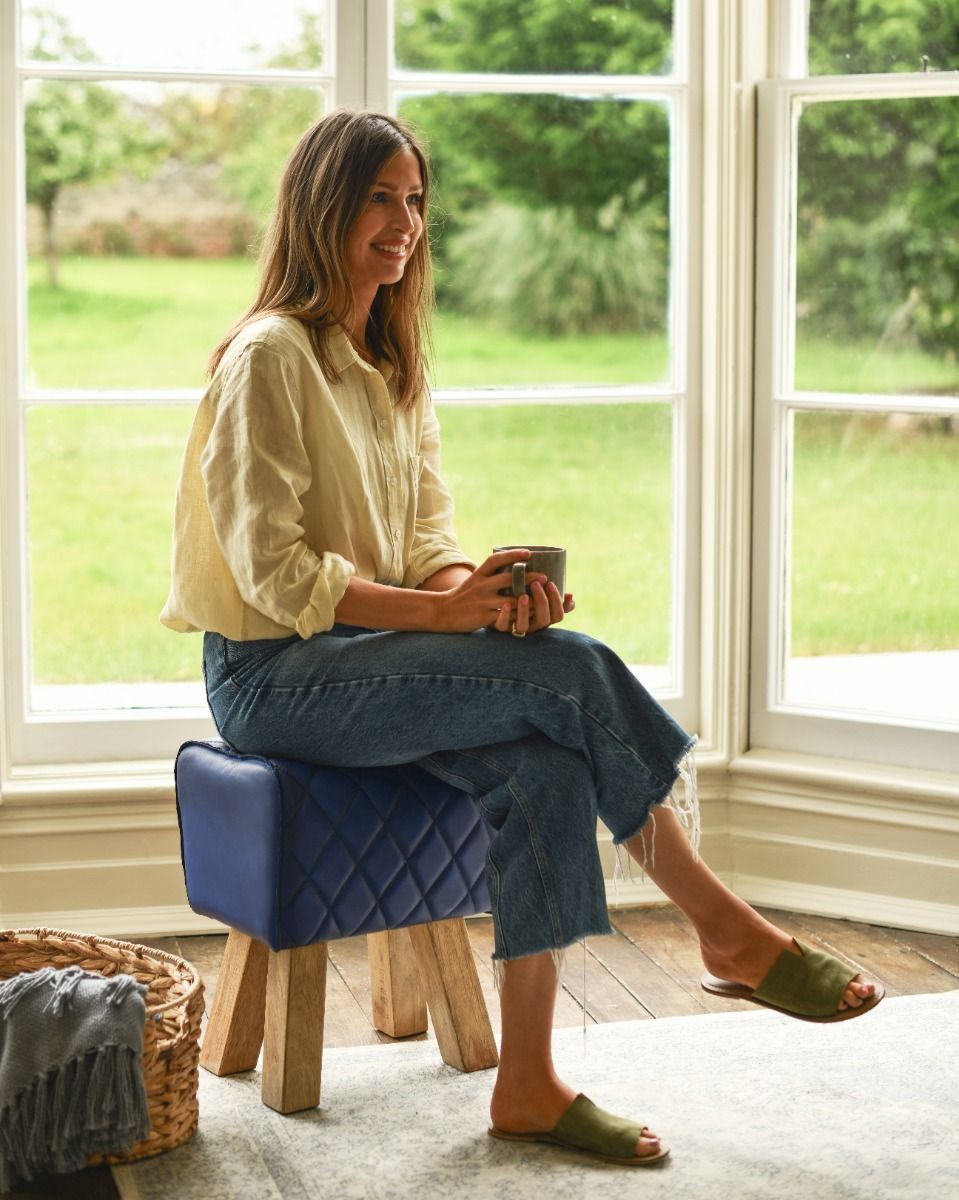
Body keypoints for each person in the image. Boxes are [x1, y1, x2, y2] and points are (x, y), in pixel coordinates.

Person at [161, 108, 882, 1167]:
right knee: (577, 673)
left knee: (544, 762)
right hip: (276, 677)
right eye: (378, 198)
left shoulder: (391, 357)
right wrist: (446, 615)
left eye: (415, 201)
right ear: (321, 206)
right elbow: (277, 578)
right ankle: (721, 926)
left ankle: (529, 1083)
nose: (403, 222)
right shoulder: (269, 358)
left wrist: (484, 596)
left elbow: (425, 538)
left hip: (366, 660)